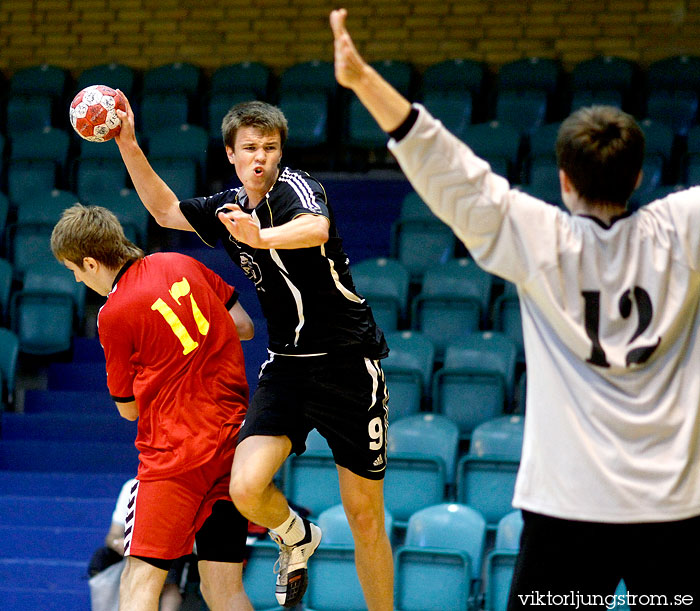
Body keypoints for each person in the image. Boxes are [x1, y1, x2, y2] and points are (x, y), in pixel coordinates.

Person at [331, 8, 700, 610]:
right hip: (675, 510)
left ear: (563, 180)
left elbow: (446, 166)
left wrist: (362, 78)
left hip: (567, 511)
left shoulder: (540, 238)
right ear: (639, 176)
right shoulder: (684, 230)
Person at [113, 98, 393, 609]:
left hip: (349, 365)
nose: (261, 157)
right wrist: (129, 144)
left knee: (365, 518)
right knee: (244, 487)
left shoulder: (297, 189)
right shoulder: (228, 207)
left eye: (270, 147)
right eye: (250, 149)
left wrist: (260, 237)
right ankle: (294, 533)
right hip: (287, 368)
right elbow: (166, 211)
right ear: (231, 154)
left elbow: (316, 228)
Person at [50, 204, 255, 611]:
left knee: (138, 580)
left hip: (176, 455)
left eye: (74, 268)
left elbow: (127, 410)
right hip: (234, 442)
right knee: (223, 589)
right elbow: (245, 327)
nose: (75, 277)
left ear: (90, 262)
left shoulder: (114, 313)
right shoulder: (181, 262)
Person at [88, 478, 189, 611]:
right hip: (133, 552)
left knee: (167, 566)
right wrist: (118, 543)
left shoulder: (180, 488)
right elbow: (113, 535)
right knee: (103, 558)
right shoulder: (132, 487)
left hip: (169, 551)